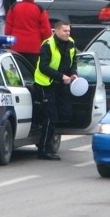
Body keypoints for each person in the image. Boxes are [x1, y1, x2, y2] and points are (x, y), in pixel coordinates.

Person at [33, 21, 77, 161]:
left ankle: (45, 140)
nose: (67, 33)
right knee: (50, 116)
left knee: (65, 114)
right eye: (64, 31)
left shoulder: (71, 43)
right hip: (46, 84)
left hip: (61, 84)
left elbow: (73, 61)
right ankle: (44, 150)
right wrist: (61, 76)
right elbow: (43, 67)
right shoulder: (47, 45)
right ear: (56, 31)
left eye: (69, 31)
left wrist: (73, 73)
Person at [6, 0, 51, 69]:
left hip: (16, 46)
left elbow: (8, 29)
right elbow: (46, 32)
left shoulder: (14, 7)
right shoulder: (40, 9)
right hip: (34, 48)